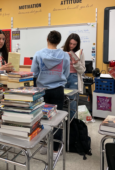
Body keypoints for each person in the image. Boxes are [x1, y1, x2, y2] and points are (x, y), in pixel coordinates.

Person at [31, 30, 70, 159]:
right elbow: (67, 73)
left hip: (42, 90)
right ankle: (54, 150)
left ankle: (43, 144)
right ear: (59, 42)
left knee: (41, 118)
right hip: (58, 89)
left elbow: (34, 73)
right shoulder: (65, 56)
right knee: (56, 119)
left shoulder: (39, 54)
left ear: (47, 39)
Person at [63, 33, 86, 119]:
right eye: (70, 43)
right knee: (61, 103)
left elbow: (82, 70)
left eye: (74, 44)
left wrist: (75, 62)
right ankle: (62, 125)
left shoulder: (80, 53)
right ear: (67, 42)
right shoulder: (61, 51)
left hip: (74, 78)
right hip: (63, 78)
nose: (72, 46)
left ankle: (72, 125)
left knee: (73, 104)